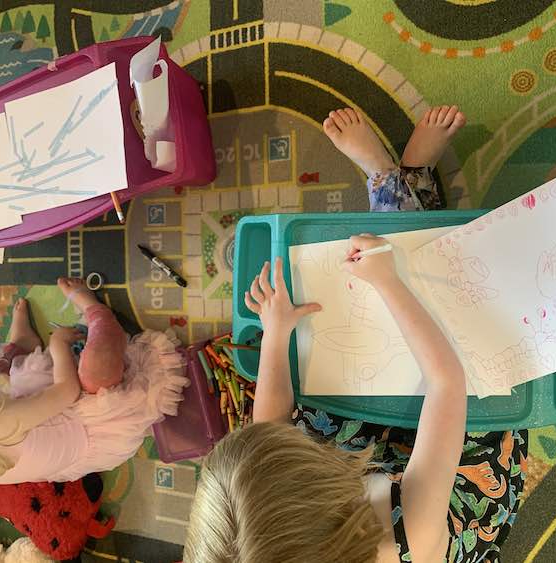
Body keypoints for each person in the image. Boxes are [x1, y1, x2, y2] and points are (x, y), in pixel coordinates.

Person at [183, 107, 527, 563]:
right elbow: (448, 380)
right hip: (456, 475)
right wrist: (387, 282)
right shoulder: (412, 542)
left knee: (324, 393)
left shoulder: (285, 526)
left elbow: (270, 431)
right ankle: (402, 181)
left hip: (363, 482)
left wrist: (276, 333)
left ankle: (398, 186)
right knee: (457, 323)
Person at [0, 278, 188, 489]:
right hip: (91, 422)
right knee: (96, 369)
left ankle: (21, 346)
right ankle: (98, 315)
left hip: (37, 423)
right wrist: (58, 345)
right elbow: (67, 391)